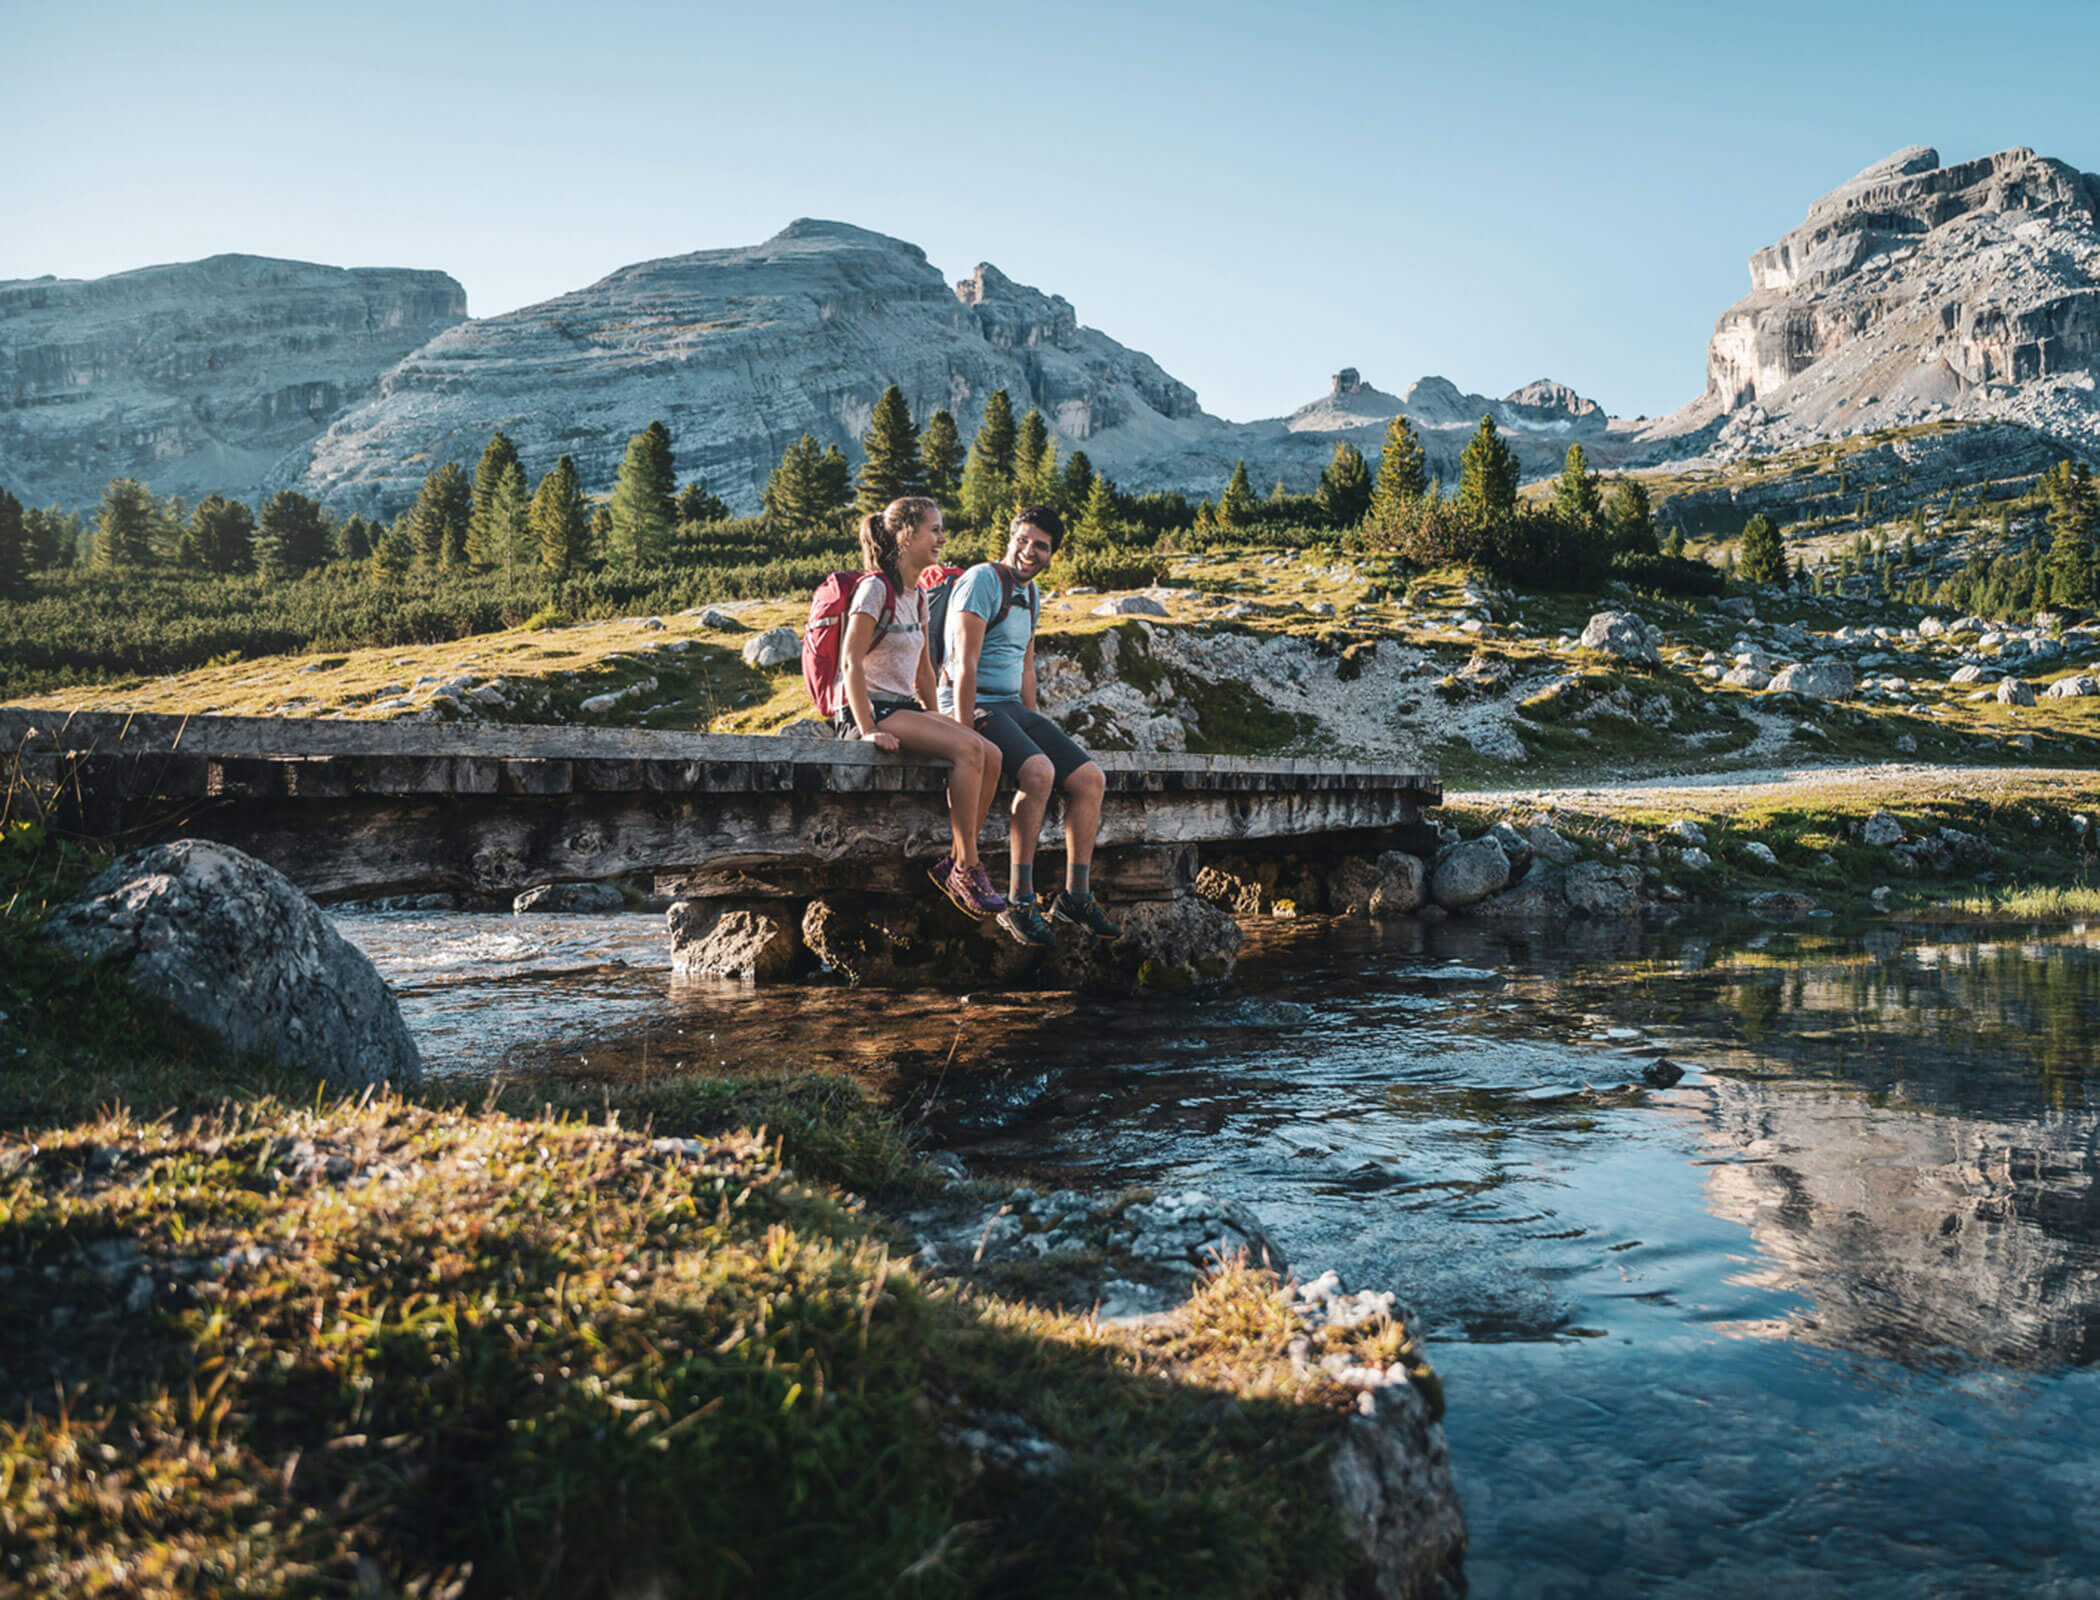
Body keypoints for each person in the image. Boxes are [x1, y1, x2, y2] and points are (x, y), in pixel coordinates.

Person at [941, 505, 1120, 946]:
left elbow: (1025, 664)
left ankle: (1076, 895)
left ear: (1052, 553)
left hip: (1011, 706)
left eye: (1040, 545)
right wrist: (965, 734)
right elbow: (964, 662)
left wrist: (1033, 719)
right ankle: (1021, 899)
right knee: (1038, 772)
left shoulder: (1033, 593)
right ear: (1010, 538)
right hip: (972, 702)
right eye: (1023, 540)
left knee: (1090, 779)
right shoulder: (984, 581)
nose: (1029, 551)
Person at [838, 497, 1007, 920]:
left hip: (904, 708)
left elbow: (924, 674)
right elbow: (850, 661)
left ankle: (956, 859)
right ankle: (967, 867)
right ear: (905, 535)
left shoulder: (917, 595)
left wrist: (938, 717)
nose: (942, 538)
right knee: (968, 752)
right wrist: (866, 728)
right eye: (934, 529)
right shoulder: (875, 588)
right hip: (873, 709)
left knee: (990, 753)